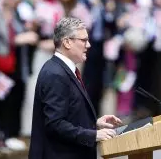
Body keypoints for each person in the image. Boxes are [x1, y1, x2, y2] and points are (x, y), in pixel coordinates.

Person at [28, 17, 122, 159]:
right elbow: (55, 124)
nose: (89, 45)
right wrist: (93, 134)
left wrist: (93, 124)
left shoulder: (63, 69)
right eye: (83, 40)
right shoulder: (55, 74)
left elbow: (67, 114)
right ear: (67, 42)